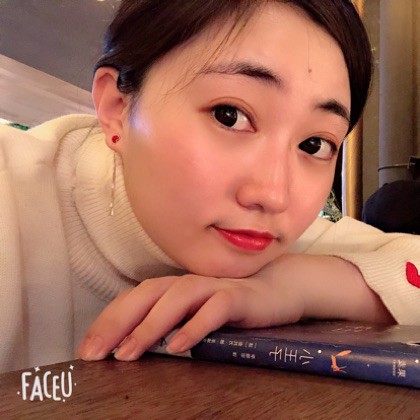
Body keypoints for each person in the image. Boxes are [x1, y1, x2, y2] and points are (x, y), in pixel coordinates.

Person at [1, 0, 419, 373]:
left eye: (314, 144)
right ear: (117, 108)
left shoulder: (285, 238)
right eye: (229, 115)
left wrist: (290, 287)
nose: (273, 195)